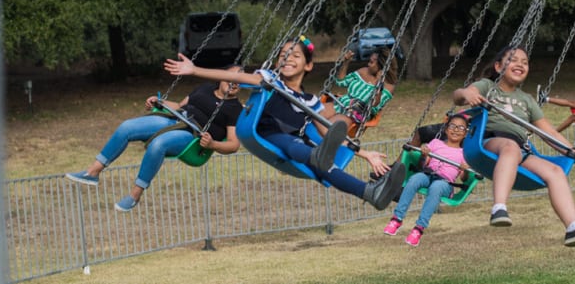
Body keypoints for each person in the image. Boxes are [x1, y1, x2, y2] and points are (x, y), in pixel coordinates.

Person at [164, 36, 405, 210]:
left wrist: (366, 154)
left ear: (308, 65)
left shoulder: (310, 101)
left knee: (328, 168)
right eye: (283, 56)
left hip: (303, 146)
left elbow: (328, 131)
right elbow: (234, 76)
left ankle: (371, 193)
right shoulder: (269, 80)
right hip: (270, 134)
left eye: (295, 56)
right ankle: (316, 156)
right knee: (293, 144)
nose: (288, 59)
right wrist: (194, 70)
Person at [452, 45, 575, 247]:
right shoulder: (487, 86)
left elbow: (549, 133)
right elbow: (458, 95)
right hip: (490, 142)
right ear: (499, 67)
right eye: (514, 60)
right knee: (510, 147)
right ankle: (499, 208)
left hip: (521, 150)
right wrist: (466, 94)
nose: (520, 64)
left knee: (555, 171)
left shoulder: (527, 101)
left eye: (524, 62)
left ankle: (573, 227)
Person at [66, 65, 244, 212]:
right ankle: (93, 172)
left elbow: (233, 145)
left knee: (159, 144)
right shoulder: (204, 88)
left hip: (193, 138)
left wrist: (212, 144)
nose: (234, 83)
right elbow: (180, 106)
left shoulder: (235, 109)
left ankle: (135, 195)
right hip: (175, 118)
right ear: (221, 77)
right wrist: (159, 102)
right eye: (230, 77)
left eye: (239, 81)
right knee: (127, 127)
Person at [384, 113, 471, 247]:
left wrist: (464, 169)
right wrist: (424, 155)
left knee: (436, 187)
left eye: (461, 128)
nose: (455, 130)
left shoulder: (463, 153)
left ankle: (419, 228)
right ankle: (397, 218)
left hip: (445, 183)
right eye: (453, 126)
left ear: (465, 133)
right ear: (446, 129)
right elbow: (424, 164)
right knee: (415, 178)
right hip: (429, 174)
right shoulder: (436, 143)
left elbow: (464, 178)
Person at [325, 48, 398, 129]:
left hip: (356, 114)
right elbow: (340, 82)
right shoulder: (363, 71)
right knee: (316, 115)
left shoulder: (389, 86)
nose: (368, 64)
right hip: (341, 104)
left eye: (371, 62)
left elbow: (373, 105)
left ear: (381, 66)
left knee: (328, 128)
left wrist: (379, 84)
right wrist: (346, 62)